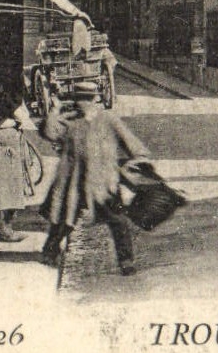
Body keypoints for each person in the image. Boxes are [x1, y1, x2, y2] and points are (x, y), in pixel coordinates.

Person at [40, 92, 150, 275]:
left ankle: (126, 261)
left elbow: (133, 145)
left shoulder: (108, 119)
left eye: (86, 99)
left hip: (103, 182)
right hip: (74, 182)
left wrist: (134, 162)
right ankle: (49, 252)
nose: (82, 103)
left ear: (94, 100)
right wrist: (55, 110)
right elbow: (50, 133)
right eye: (79, 99)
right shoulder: (70, 121)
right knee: (65, 219)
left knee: (117, 220)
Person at [0, 96, 42, 242]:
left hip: (8, 141)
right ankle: (4, 230)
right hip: (0, 141)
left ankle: (6, 227)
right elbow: (21, 115)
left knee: (10, 186)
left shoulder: (6, 96)